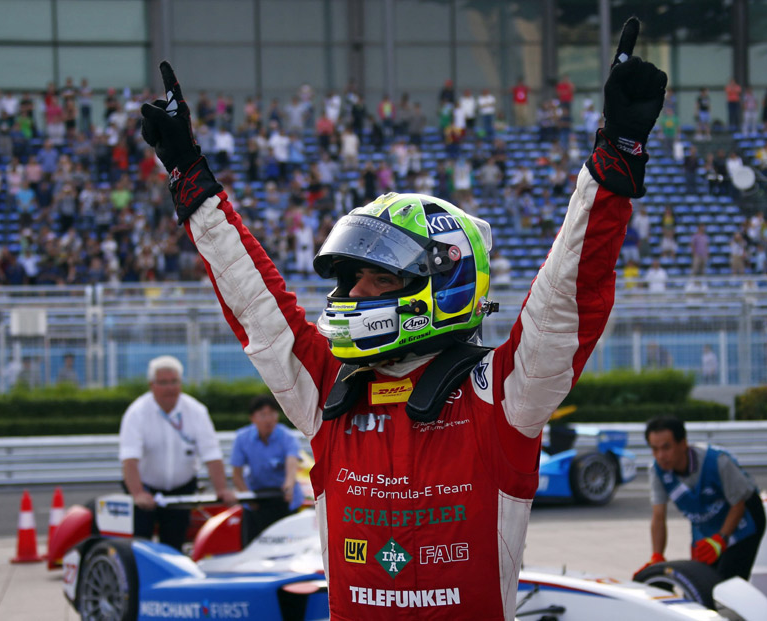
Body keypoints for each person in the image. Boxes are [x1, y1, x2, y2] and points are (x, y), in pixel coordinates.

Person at [139, 18, 665, 618]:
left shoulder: (504, 396)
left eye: (379, 277)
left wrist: (615, 158)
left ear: (443, 284)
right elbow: (255, 305)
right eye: (349, 278)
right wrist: (187, 176)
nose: (354, 293)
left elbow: (569, 296)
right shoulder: (327, 392)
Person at [118, 355, 236, 549]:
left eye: (174, 382)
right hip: (145, 489)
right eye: (163, 383)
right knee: (140, 543)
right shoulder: (137, 413)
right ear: (152, 385)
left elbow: (212, 455)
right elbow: (129, 459)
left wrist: (221, 489)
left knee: (174, 544)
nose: (170, 388)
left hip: (181, 490)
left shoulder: (196, 411)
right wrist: (138, 493)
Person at [637, 415, 765, 581]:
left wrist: (721, 539)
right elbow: (658, 516)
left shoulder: (717, 461)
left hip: (744, 518)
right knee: (698, 581)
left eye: (666, 447)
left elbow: (738, 504)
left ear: (683, 443)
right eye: (655, 449)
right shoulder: (657, 471)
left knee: (725, 580)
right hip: (708, 523)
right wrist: (657, 555)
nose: (661, 455)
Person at [230, 394, 304, 546]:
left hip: (285, 498)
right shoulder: (241, 438)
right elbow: (237, 475)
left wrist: (289, 485)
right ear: (253, 418)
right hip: (256, 499)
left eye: (272, 413)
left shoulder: (287, 436)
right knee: (253, 546)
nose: (268, 419)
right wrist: (247, 496)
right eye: (263, 415)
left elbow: (292, 463)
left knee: (287, 547)